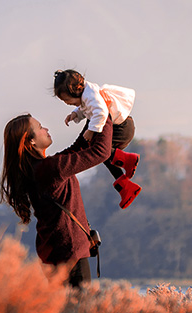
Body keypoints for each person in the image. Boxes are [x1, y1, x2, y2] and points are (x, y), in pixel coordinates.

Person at [0, 113, 113, 287]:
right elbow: (101, 152)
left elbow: (78, 148)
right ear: (31, 141)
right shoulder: (51, 169)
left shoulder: (37, 169)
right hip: (70, 253)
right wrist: (107, 115)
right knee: (81, 312)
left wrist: (94, 115)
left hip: (55, 253)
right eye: (40, 128)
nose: (46, 129)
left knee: (63, 311)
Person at [53, 68, 141, 209]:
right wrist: (75, 114)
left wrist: (91, 130)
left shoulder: (91, 95)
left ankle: (128, 161)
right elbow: (86, 108)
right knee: (101, 154)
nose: (67, 103)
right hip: (120, 126)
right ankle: (126, 187)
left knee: (99, 151)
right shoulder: (87, 95)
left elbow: (100, 112)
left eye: (68, 101)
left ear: (77, 91)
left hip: (122, 128)